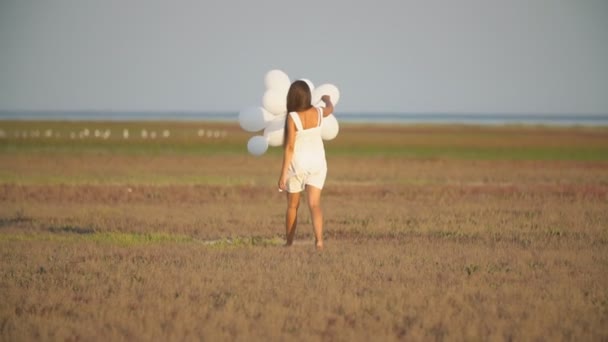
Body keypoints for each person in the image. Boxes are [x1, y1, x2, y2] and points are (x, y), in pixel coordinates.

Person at [278, 80, 334, 250]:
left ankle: (289, 242)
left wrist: (282, 174)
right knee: (315, 205)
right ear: (308, 96)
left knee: (293, 206)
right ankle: (319, 241)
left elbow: (290, 147)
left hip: (297, 166)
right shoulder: (318, 112)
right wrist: (327, 99)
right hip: (317, 164)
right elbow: (330, 109)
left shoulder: (293, 117)